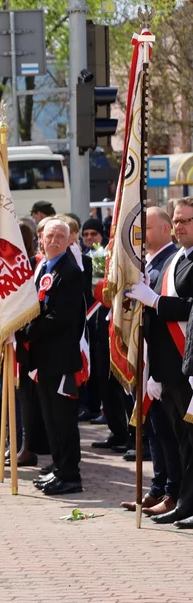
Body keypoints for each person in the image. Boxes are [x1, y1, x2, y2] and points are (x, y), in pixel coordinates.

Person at [130, 198, 193, 528]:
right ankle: (185, 502)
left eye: (186, 220)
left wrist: (155, 300)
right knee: (183, 441)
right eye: (178, 220)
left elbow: (190, 306)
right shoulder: (175, 260)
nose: (180, 226)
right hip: (168, 367)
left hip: (188, 366)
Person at [121, 207, 180, 515]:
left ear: (166, 229)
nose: (143, 234)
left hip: (167, 360)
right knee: (155, 429)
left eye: (149, 227)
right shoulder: (151, 263)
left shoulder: (172, 261)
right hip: (151, 361)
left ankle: (172, 492)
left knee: (168, 432)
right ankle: (158, 488)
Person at [23, 220, 86, 496]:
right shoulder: (43, 267)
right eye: (51, 236)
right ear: (42, 239)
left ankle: (70, 473)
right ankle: (58, 467)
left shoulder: (70, 271)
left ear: (69, 240)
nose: (56, 240)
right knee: (49, 418)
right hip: (44, 358)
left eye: (61, 236)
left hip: (61, 359)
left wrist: (28, 330)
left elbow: (62, 316)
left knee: (63, 419)